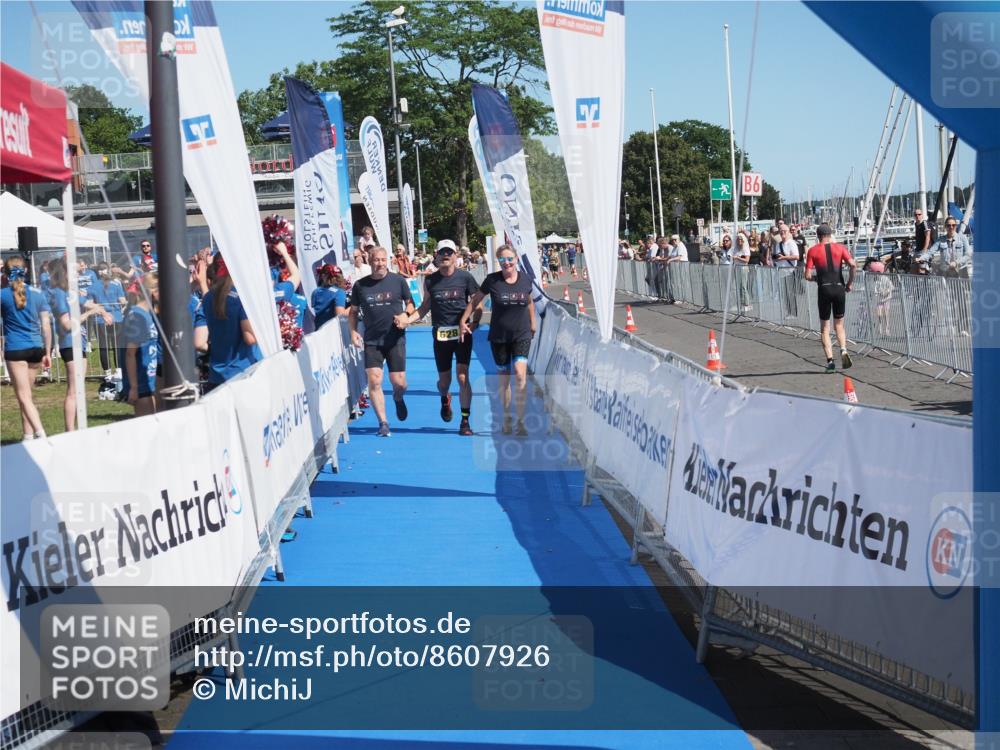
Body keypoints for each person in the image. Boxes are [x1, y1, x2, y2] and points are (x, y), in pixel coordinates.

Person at [405, 239, 481, 436]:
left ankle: (465, 420)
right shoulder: (430, 280)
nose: (446, 256)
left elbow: (477, 305)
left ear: (456, 255)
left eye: (450, 252)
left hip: (462, 334)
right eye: (442, 253)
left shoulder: (466, 278)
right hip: (441, 336)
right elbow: (424, 308)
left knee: (463, 376)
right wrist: (407, 321)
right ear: (436, 256)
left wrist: (474, 324)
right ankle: (445, 397)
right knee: (444, 382)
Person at [460, 244, 536, 436]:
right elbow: (476, 300)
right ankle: (507, 418)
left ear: (516, 260)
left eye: (510, 259)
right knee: (504, 380)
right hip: (499, 337)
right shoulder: (492, 280)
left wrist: (533, 322)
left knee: (520, 374)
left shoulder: (526, 279)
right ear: (498, 262)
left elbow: (529, 301)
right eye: (502, 260)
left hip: (521, 334)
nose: (507, 263)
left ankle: (520, 421)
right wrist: (463, 320)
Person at [349, 246, 415, 437]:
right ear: (369, 261)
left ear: (387, 260)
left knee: (399, 382)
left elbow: (411, 303)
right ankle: (383, 423)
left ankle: (398, 397)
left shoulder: (398, 280)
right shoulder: (360, 286)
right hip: (372, 340)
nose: (379, 263)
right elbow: (353, 312)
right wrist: (353, 332)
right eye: (376, 260)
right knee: (375, 380)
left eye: (382, 259)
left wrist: (405, 314)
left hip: (395, 338)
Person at [47, 258, 113, 431]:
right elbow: (67, 324)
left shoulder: (72, 292)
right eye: (74, 271)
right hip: (70, 343)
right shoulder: (59, 294)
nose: (78, 274)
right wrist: (91, 313)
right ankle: (70, 430)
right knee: (73, 390)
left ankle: (78, 428)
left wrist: (103, 311)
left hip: (80, 342)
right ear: (65, 273)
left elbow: (89, 303)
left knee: (78, 389)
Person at [193, 254, 261, 392]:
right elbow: (250, 338)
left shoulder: (208, 298)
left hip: (216, 376)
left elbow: (199, 342)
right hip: (243, 373)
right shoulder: (242, 298)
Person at [1, 258, 52, 440]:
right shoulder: (38, 293)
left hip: (16, 349)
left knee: (23, 397)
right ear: (26, 272)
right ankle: (28, 436)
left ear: (5, 275)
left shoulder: (3, 295)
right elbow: (46, 325)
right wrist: (48, 351)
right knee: (27, 396)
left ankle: (41, 435)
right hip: (36, 348)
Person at [804, 224, 857, 373]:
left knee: (825, 328)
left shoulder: (813, 250)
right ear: (830, 235)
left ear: (817, 236)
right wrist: (850, 283)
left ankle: (830, 361)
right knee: (839, 325)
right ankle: (844, 349)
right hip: (839, 287)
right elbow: (853, 265)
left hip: (824, 288)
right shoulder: (840, 248)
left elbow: (807, 275)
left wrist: (817, 278)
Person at [122, 273, 159, 416]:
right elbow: (130, 353)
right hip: (141, 383)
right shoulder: (137, 316)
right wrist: (134, 387)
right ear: (153, 292)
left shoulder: (147, 314)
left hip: (149, 380)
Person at [91, 264, 127, 378]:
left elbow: (90, 303)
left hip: (100, 319)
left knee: (103, 347)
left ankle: (107, 374)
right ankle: (119, 372)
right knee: (117, 346)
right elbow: (122, 301)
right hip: (116, 317)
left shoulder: (93, 285)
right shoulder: (116, 283)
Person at [312, 264, 349, 330]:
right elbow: (340, 316)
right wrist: (352, 308)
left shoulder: (315, 292)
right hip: (332, 332)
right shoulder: (339, 292)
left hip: (318, 331)